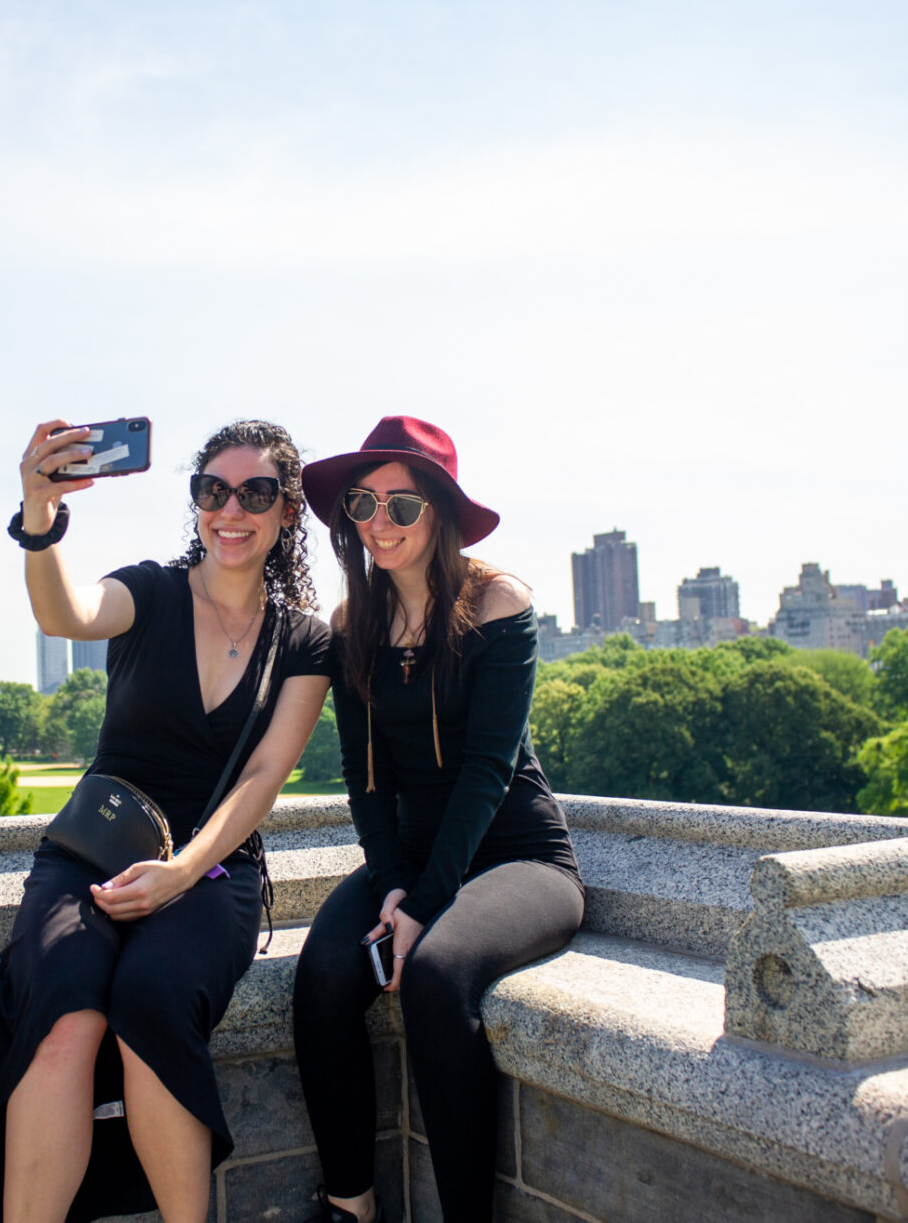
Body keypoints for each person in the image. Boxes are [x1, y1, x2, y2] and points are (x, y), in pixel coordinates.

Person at [0, 418, 332, 1223]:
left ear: (287, 511)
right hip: (93, 845)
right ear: (196, 502)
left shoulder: (303, 639)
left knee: (154, 1000)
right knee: (65, 1008)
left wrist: (181, 871)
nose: (231, 509)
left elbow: (265, 777)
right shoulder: (152, 591)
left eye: (257, 493)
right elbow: (65, 612)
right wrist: (41, 515)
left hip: (216, 866)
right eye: (213, 490)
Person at [290, 416, 584, 1223]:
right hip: (413, 860)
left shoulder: (497, 603)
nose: (378, 524)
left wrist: (425, 904)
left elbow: (490, 771)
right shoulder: (352, 625)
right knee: (320, 975)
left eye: (401, 507)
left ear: (441, 514)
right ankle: (349, 1204)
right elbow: (365, 777)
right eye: (361, 504)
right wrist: (392, 883)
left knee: (434, 975)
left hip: (519, 857)